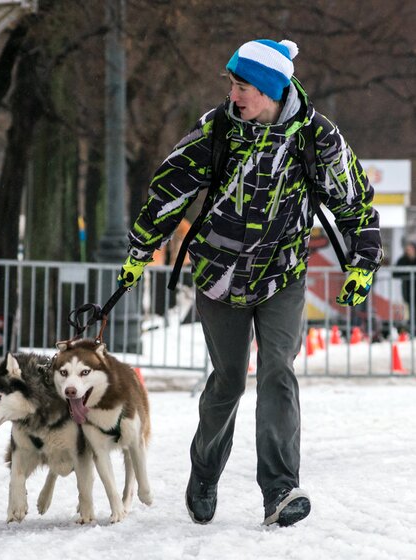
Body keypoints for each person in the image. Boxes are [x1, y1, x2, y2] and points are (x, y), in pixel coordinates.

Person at [117, 39, 382, 526]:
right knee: (230, 381)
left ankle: (281, 490)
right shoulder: (216, 129)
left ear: (271, 90)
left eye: (243, 87)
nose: (234, 94)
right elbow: (168, 190)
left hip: (283, 275)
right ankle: (204, 472)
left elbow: (355, 201)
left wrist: (363, 262)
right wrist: (139, 252)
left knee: (278, 370)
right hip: (219, 277)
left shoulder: (315, 136)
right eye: (232, 84)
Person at [393, 240, 416, 328]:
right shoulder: (402, 259)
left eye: (410, 249)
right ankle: (412, 327)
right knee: (410, 309)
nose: (408, 251)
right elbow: (395, 273)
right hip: (407, 290)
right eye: (407, 249)